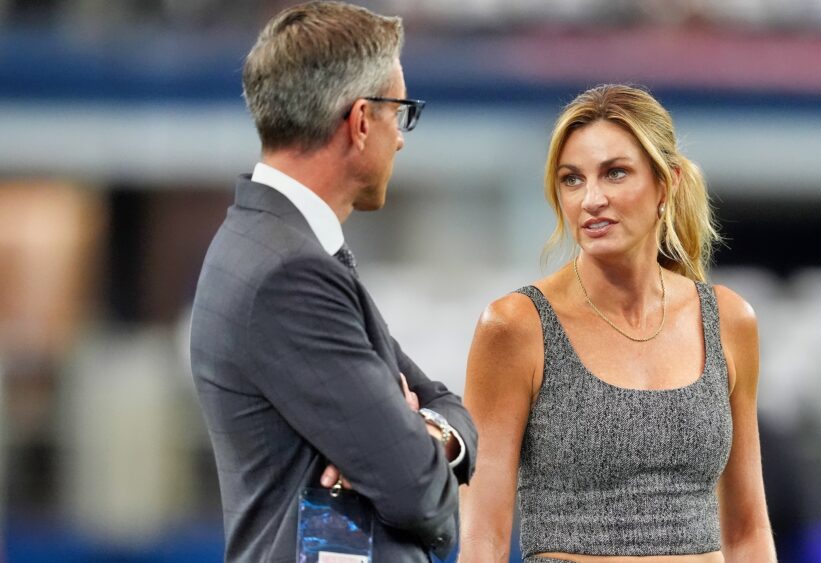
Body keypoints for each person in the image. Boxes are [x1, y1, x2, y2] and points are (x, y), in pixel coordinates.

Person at [189, 3, 476, 561]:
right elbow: (419, 489)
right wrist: (418, 442)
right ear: (362, 120)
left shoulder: (277, 244)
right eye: (401, 113)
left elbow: (440, 400)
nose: (402, 139)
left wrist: (431, 431)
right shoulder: (289, 273)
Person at [458, 85, 775, 563]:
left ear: (665, 185)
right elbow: (483, 537)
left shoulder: (729, 319)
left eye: (615, 173)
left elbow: (748, 530)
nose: (591, 199)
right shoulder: (516, 326)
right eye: (572, 179)